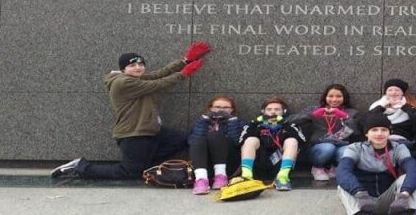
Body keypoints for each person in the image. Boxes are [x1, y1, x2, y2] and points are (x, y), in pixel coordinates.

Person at [51, 42, 210, 180]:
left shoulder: (135, 79)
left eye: (141, 64)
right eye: (132, 65)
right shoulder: (122, 83)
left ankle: (145, 164)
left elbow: (158, 74)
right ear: (123, 69)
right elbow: (157, 84)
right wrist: (183, 74)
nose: (138, 67)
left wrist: (185, 60)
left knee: (184, 140)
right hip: (133, 134)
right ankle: (81, 167)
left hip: (151, 130)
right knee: (130, 171)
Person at [336, 112, 416, 215]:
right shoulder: (355, 148)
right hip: (363, 200)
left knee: (410, 178)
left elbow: (413, 169)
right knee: (342, 185)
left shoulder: (399, 147)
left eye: (384, 129)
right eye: (374, 130)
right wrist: (358, 192)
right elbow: (342, 171)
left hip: (393, 202)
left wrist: (405, 193)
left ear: (389, 132)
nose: (379, 133)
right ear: (367, 133)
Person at [291, 84, 359, 183]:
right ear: (325, 97)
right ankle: (317, 167)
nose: (334, 99)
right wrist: (312, 115)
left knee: (347, 152)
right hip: (318, 146)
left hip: (341, 145)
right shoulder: (314, 109)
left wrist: (346, 117)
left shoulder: (352, 112)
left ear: (344, 98)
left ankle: (335, 167)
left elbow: (357, 131)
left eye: (339, 96)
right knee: (328, 147)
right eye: (331, 96)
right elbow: (291, 121)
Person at [235, 97, 306, 191]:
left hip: (280, 164)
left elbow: (302, 141)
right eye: (269, 109)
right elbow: (241, 141)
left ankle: (282, 177)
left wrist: (284, 124)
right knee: (251, 140)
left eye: (277, 109)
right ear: (263, 111)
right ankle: (246, 176)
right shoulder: (254, 124)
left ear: (283, 111)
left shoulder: (290, 124)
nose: (273, 112)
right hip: (258, 163)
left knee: (292, 141)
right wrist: (254, 123)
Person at [188, 95, 243, 195]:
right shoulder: (202, 121)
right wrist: (204, 121)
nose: (221, 110)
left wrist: (231, 121)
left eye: (226, 108)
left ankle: (221, 176)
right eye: (217, 107)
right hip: (204, 164)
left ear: (232, 110)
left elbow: (237, 142)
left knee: (215, 135)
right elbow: (192, 141)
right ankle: (201, 180)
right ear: (210, 108)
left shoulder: (237, 122)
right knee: (198, 140)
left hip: (228, 162)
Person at [367, 78, 416, 145]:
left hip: (402, 141)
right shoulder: (376, 106)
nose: (393, 92)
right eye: (390, 90)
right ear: (386, 92)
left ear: (402, 93)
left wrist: (405, 107)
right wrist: (382, 107)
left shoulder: (411, 106)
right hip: (379, 141)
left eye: (397, 90)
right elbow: (367, 120)